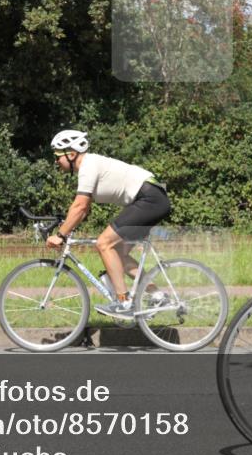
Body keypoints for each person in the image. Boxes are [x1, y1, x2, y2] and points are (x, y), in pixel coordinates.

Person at [47, 130, 171, 317]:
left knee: (104, 243)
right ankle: (157, 295)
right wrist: (66, 227)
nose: (56, 162)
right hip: (151, 198)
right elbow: (83, 209)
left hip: (149, 199)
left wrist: (60, 235)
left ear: (71, 154)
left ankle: (123, 302)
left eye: (57, 156)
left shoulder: (88, 166)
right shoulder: (90, 165)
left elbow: (80, 206)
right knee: (119, 254)